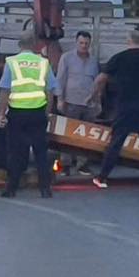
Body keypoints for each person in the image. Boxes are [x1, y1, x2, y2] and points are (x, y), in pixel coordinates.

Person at [90, 30, 139, 191]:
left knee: (116, 143)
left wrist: (94, 96)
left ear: (128, 41)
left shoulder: (119, 58)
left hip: (126, 106)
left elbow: (100, 79)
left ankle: (102, 178)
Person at [0, 32, 60, 199]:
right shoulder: (43, 63)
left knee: (16, 152)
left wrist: (1, 114)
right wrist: (47, 112)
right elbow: (50, 91)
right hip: (38, 112)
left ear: (19, 45)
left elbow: (5, 90)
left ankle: (11, 189)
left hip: (17, 113)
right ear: (34, 45)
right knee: (40, 152)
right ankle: (45, 189)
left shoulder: (11, 62)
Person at [56, 31, 100, 174]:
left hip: (89, 104)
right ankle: (66, 164)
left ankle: (82, 164)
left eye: (86, 43)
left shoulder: (93, 61)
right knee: (68, 135)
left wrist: (98, 102)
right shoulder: (67, 58)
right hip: (71, 102)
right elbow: (60, 79)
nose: (83, 46)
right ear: (76, 43)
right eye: (81, 43)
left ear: (90, 44)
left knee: (86, 137)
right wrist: (60, 99)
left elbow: (97, 83)